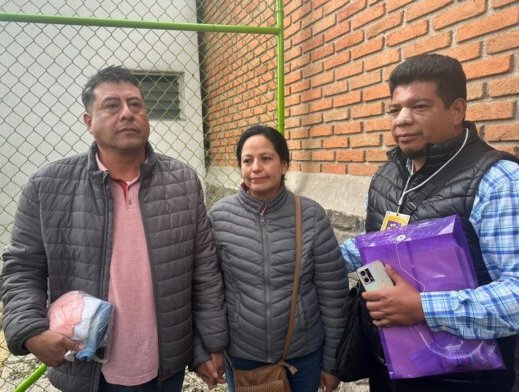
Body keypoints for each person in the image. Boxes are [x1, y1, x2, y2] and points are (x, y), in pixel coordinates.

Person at [0, 65, 228, 392]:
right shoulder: (47, 186)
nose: (127, 113)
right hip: (88, 368)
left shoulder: (183, 182)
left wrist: (210, 343)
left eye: (135, 104)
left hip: (164, 367)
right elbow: (22, 267)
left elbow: (204, 271)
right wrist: (30, 330)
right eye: (112, 105)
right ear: (89, 122)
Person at [341, 53, 519, 392]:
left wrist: (423, 308)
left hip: (463, 377)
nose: (401, 120)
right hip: (390, 365)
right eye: (395, 109)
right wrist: (312, 261)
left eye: (419, 107)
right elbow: (375, 245)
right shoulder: (387, 176)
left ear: (456, 111)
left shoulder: (499, 181)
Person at [207, 125, 348, 392]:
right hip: (243, 357)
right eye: (247, 161)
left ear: (284, 165)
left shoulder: (311, 216)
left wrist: (331, 364)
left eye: (266, 158)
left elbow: (333, 295)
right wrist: (208, 348)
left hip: (302, 357)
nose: (256, 168)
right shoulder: (219, 217)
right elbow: (207, 290)